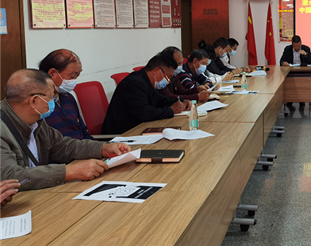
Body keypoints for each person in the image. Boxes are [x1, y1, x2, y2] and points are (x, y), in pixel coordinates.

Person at [1, 69, 130, 190]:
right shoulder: (3, 129)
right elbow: (9, 176)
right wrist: (69, 171)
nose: (55, 101)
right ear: (34, 101)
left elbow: (63, 146)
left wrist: (103, 148)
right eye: (52, 97)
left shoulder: (37, 121)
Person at [102, 54, 190, 134]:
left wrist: (182, 101)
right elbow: (144, 113)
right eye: (168, 77)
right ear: (157, 71)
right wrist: (171, 110)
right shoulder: (133, 83)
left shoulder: (147, 81)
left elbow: (161, 100)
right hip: (121, 136)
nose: (168, 81)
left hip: (138, 130)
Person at [38, 49, 93, 140]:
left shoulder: (69, 98)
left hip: (82, 147)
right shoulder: (37, 104)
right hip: (65, 148)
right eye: (72, 76)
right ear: (52, 73)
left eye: (77, 76)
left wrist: (99, 147)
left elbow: (83, 132)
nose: (74, 81)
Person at [280, 35, 311, 110]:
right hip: (291, 71)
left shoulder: (306, 48)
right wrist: (284, 63)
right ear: (292, 44)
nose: (297, 48)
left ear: (301, 43)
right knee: (289, 83)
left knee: (301, 83)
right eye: (295, 46)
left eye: (298, 46)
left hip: (303, 71)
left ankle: (301, 100)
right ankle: (290, 99)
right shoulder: (287, 49)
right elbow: (282, 60)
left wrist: (305, 55)